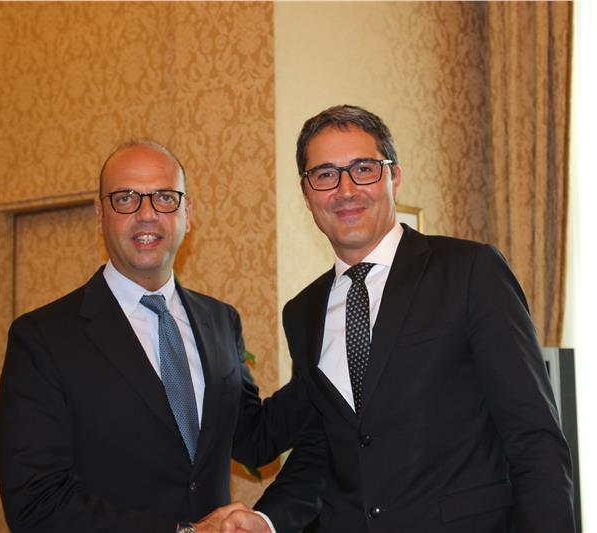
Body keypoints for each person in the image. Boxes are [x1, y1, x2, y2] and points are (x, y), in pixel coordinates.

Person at [226, 105, 576, 533]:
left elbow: (533, 437)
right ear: (307, 193)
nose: (345, 189)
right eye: (325, 174)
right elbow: (325, 445)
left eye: (363, 169)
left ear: (394, 177)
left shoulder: (469, 271)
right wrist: (266, 519)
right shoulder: (303, 312)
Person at [0, 140, 319, 533]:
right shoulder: (42, 338)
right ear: (100, 215)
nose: (146, 214)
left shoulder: (220, 320)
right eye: (126, 198)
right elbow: (36, 502)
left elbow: (254, 439)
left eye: (165, 197)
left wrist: (329, 359)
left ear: (187, 214)